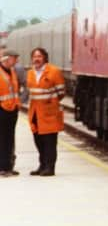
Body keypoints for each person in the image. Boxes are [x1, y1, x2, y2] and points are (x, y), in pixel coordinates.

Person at [26, 47, 65, 176]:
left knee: (49, 142)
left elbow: (61, 92)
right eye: (34, 56)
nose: (36, 59)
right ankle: (42, 165)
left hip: (49, 113)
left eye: (39, 56)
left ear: (45, 58)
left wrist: (50, 102)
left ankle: (50, 167)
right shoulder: (30, 73)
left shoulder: (54, 72)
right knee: (38, 140)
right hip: (35, 112)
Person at [0, 49, 21, 177]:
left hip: (12, 110)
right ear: (7, 59)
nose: (17, 61)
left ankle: (8, 166)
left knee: (9, 139)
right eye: (15, 58)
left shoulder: (12, 71)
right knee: (2, 139)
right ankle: (2, 167)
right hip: (1, 110)